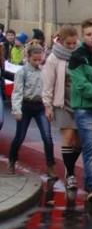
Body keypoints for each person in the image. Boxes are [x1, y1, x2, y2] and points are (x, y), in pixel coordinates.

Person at [69, 19, 92, 212]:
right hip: (84, 107)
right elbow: (81, 85)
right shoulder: (77, 57)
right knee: (90, 146)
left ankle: (90, 179)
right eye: (89, 34)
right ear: (83, 36)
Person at [7, 45, 56, 177]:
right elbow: (17, 92)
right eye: (34, 59)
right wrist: (16, 110)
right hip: (26, 105)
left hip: (40, 106)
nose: (37, 62)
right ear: (28, 57)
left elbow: (49, 89)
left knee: (47, 137)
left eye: (40, 59)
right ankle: (11, 161)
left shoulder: (44, 70)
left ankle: (50, 166)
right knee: (20, 136)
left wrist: (49, 106)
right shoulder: (22, 72)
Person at [42, 25, 82, 188]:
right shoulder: (54, 57)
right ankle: (70, 174)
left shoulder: (81, 53)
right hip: (62, 101)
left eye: (74, 43)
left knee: (79, 142)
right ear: (62, 41)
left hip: (79, 102)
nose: (72, 47)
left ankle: (69, 166)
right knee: (68, 137)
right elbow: (48, 82)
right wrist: (47, 105)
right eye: (69, 44)